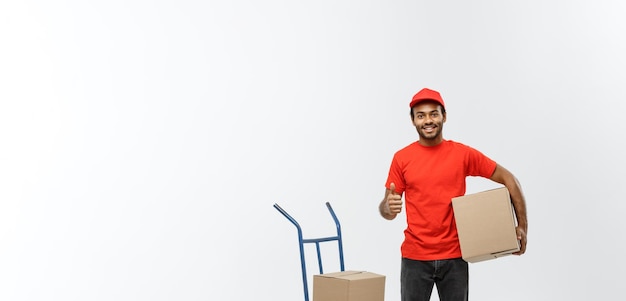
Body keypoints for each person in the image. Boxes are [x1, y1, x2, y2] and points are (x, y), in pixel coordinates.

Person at [378, 88, 528, 301]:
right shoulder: (402, 158)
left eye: (434, 113)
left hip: (455, 257)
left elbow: (510, 180)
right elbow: (387, 210)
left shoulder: (461, 154)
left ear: (444, 116)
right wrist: (387, 206)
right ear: (413, 120)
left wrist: (522, 227)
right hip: (415, 257)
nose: (428, 120)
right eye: (421, 115)